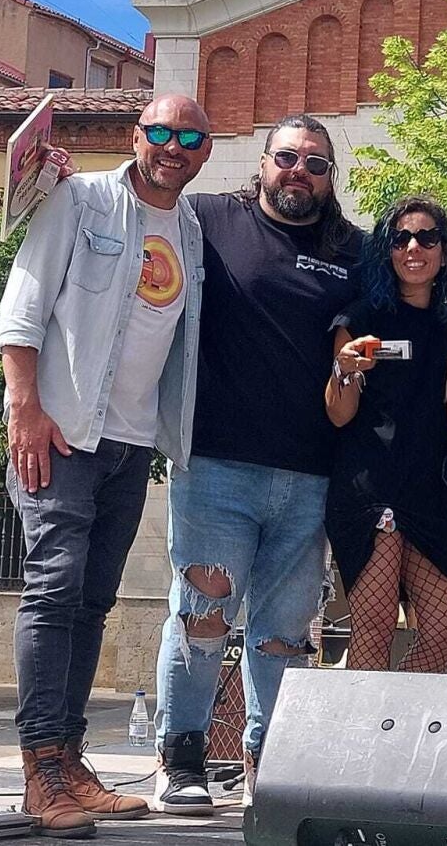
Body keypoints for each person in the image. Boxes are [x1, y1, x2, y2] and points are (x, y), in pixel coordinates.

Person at [0, 94, 212, 838]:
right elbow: (22, 309)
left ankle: (69, 759)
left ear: (205, 151)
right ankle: (40, 770)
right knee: (53, 591)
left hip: (131, 444)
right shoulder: (79, 199)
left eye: (189, 137)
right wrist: (25, 408)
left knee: (92, 603)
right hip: (61, 433)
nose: (173, 147)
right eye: (161, 132)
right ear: (135, 135)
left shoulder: (190, 229)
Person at [151, 114, 363, 814]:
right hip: (214, 466)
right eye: (287, 157)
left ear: (330, 177)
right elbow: (138, 210)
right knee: (202, 616)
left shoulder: (352, 251)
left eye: (316, 163)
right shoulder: (207, 219)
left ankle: (268, 766)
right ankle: (181, 757)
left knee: (283, 635)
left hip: (311, 475)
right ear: (263, 163)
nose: (300, 171)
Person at [325, 195, 447, 673]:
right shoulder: (362, 317)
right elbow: (339, 415)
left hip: (429, 491)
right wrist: (344, 371)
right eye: (400, 238)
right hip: (370, 487)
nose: (413, 247)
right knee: (375, 624)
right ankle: (364, 722)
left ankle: (392, 707)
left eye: (427, 238)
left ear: (443, 251)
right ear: (386, 250)